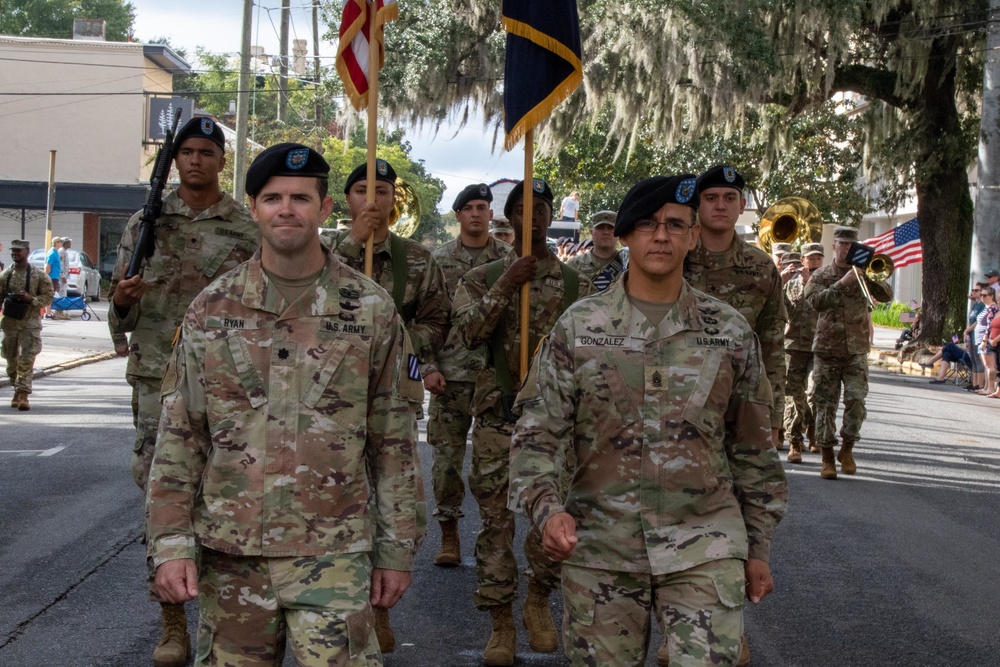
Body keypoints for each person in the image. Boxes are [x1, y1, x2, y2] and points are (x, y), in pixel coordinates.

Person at [146, 142, 423, 667]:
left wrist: (397, 549)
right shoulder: (212, 309)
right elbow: (181, 439)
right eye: (272, 198)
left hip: (333, 553)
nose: (286, 208)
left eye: (301, 197)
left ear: (324, 209)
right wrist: (171, 545)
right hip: (232, 556)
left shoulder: (369, 310)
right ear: (254, 208)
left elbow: (394, 444)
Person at [509, 174, 787, 667]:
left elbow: (754, 450)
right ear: (624, 236)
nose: (661, 236)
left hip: (705, 543)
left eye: (676, 225)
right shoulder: (579, 327)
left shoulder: (730, 332)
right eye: (646, 225)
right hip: (601, 546)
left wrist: (758, 545)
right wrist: (547, 509)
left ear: (694, 236)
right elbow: (537, 433)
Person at [107, 115, 260, 667]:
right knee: (162, 493)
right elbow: (117, 315)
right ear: (176, 161)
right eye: (186, 152)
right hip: (156, 377)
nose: (195, 160)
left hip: (228, 381)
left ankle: (225, 616)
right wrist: (123, 299)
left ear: (222, 161)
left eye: (206, 152)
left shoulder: (247, 230)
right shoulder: (145, 222)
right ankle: (171, 622)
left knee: (229, 495)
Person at [453, 178, 591, 666]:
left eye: (542, 209)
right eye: (522, 209)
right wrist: (508, 283)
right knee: (494, 523)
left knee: (553, 521)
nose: (532, 217)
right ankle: (501, 622)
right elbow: (468, 332)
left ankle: (538, 598)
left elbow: (589, 354)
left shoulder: (576, 284)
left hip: (554, 424)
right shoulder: (484, 275)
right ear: (507, 218)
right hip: (498, 415)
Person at [325, 157, 448, 652]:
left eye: (381, 191)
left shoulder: (417, 259)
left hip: (393, 391)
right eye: (360, 190)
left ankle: (378, 610)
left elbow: (439, 320)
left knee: (394, 503)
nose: (371, 200)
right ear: (347, 198)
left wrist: (397, 341)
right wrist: (354, 243)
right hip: (327, 398)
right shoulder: (323, 251)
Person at [682, 165, 786, 666]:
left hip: (740, 406)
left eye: (730, 197)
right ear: (698, 205)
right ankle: (676, 626)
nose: (720, 205)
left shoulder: (763, 267)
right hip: (680, 405)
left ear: (741, 206)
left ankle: (729, 624)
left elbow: (772, 344)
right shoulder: (677, 254)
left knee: (740, 512)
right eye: (711, 197)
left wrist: (772, 407)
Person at [428, 183, 510, 568]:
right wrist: (425, 367)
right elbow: (426, 318)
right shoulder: (439, 260)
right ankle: (448, 533)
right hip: (450, 373)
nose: (477, 213)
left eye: (483, 206)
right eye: (469, 208)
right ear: (458, 215)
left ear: (491, 214)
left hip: (496, 377)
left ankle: (492, 537)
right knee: (446, 461)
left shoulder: (509, 261)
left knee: (495, 466)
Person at [805, 225, 892, 479]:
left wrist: (869, 277)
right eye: (841, 244)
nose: (845, 249)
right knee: (824, 405)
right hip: (826, 350)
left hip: (856, 350)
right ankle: (827, 458)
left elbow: (886, 296)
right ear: (834, 246)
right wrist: (843, 283)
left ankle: (847, 448)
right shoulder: (821, 274)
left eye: (850, 245)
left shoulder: (863, 272)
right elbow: (815, 302)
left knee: (856, 401)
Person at [1, 239, 54, 410]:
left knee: (26, 359)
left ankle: (23, 395)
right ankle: (16, 389)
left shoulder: (38, 275)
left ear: (27, 252)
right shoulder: (6, 275)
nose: (15, 253)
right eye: (14, 251)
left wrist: (31, 299)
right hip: (10, 324)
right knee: (11, 361)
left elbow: (48, 295)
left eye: (19, 251)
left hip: (29, 324)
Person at [781, 250, 818, 462]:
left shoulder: (824, 284)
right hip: (793, 347)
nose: (813, 263)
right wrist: (781, 282)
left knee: (814, 391)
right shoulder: (789, 286)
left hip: (817, 347)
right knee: (794, 397)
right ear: (803, 261)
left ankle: (812, 431)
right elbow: (780, 311)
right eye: (810, 259)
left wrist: (811, 285)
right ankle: (794, 442)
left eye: (817, 259)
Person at [567, 210, 626, 291]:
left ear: (618, 233)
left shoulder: (627, 263)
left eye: (610, 228)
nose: (605, 232)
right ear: (591, 232)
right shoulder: (574, 265)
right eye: (600, 228)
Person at [975, 286, 998, 395]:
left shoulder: (993, 308)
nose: (982, 297)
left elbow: (989, 326)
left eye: (985, 295)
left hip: (986, 340)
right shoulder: (986, 307)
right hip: (980, 339)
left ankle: (990, 388)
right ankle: (986, 387)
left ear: (991, 296)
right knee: (986, 365)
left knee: (990, 365)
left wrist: (984, 340)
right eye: (981, 295)